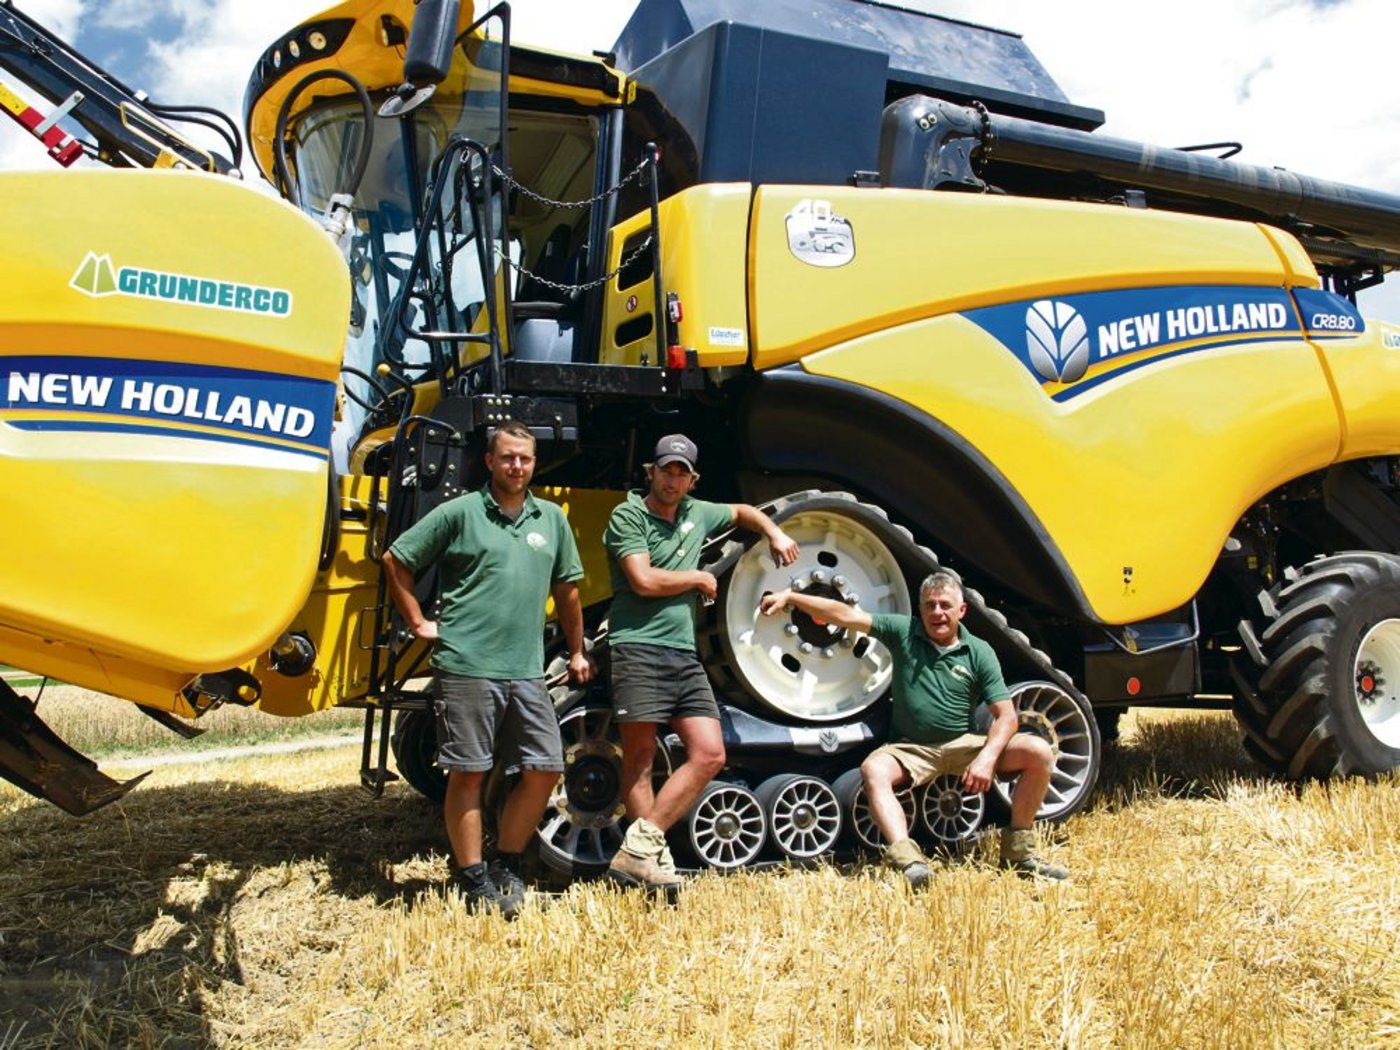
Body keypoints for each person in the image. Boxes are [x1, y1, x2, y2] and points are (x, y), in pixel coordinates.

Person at [382, 421, 593, 915]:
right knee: (469, 773)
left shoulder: (551, 519)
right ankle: (473, 876)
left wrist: (577, 651)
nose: (517, 466)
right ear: (490, 462)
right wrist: (417, 621)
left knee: (545, 768)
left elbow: (567, 590)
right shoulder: (460, 512)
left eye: (525, 458)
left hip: (526, 668)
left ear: (534, 464)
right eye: (508, 457)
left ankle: (507, 862)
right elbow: (396, 560)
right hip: (468, 666)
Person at [760, 570, 1068, 884]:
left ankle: (1019, 853)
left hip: (964, 743)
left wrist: (987, 758)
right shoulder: (903, 632)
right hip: (911, 748)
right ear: (920, 610)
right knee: (874, 770)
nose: (937, 612)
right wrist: (792, 597)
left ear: (962, 610)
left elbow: (1007, 717)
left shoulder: (979, 651)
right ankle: (910, 863)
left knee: (1038, 751)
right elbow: (844, 615)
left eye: (945, 605)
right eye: (930, 605)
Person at [603, 434, 800, 890]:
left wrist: (774, 532)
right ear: (651, 472)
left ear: (692, 480)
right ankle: (651, 862)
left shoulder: (697, 511)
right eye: (666, 471)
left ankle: (638, 850)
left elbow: (743, 512)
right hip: (637, 645)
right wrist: (696, 577)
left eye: (681, 473)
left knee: (710, 753)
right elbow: (642, 580)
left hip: (683, 651)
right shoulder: (628, 515)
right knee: (640, 757)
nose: (672, 481)